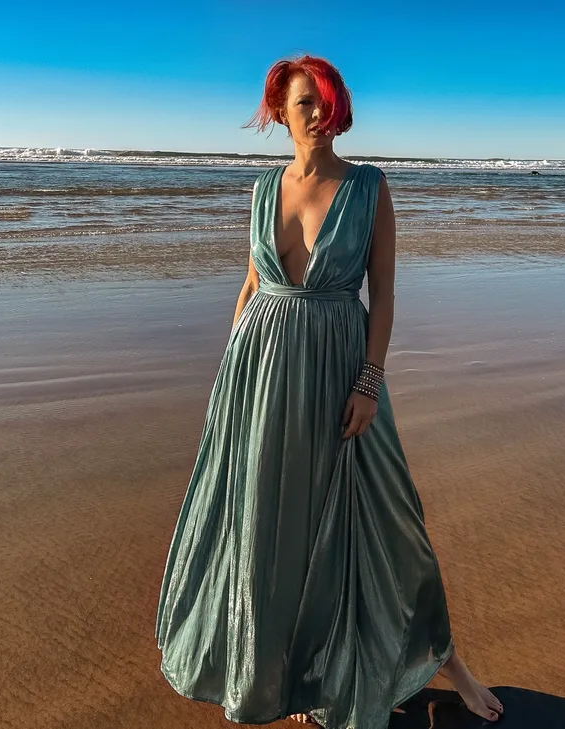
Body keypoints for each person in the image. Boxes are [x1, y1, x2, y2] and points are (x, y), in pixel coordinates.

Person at [154, 54, 504, 729]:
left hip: (340, 369)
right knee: (272, 525)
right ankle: (293, 676)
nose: (317, 115)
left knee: (385, 517)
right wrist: (231, 375)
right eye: (303, 103)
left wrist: (369, 382)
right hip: (259, 375)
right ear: (279, 111)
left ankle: (448, 662)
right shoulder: (262, 189)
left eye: (325, 101)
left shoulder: (369, 187)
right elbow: (253, 286)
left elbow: (385, 297)